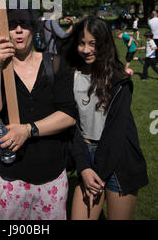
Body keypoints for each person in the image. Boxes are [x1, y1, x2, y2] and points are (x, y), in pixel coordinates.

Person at [0, 5, 77, 220]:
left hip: (52, 176)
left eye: (25, 24)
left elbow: (69, 114)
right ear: (4, 32)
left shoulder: (56, 63)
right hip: (10, 177)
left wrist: (28, 130)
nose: (19, 30)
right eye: (12, 25)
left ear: (35, 29)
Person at [62, 15, 148, 220]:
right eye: (82, 43)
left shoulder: (119, 79)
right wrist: (84, 167)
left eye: (93, 44)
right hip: (86, 156)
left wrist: (98, 174)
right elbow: (72, 126)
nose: (86, 49)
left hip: (118, 159)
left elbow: (116, 133)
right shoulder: (71, 74)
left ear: (104, 43)